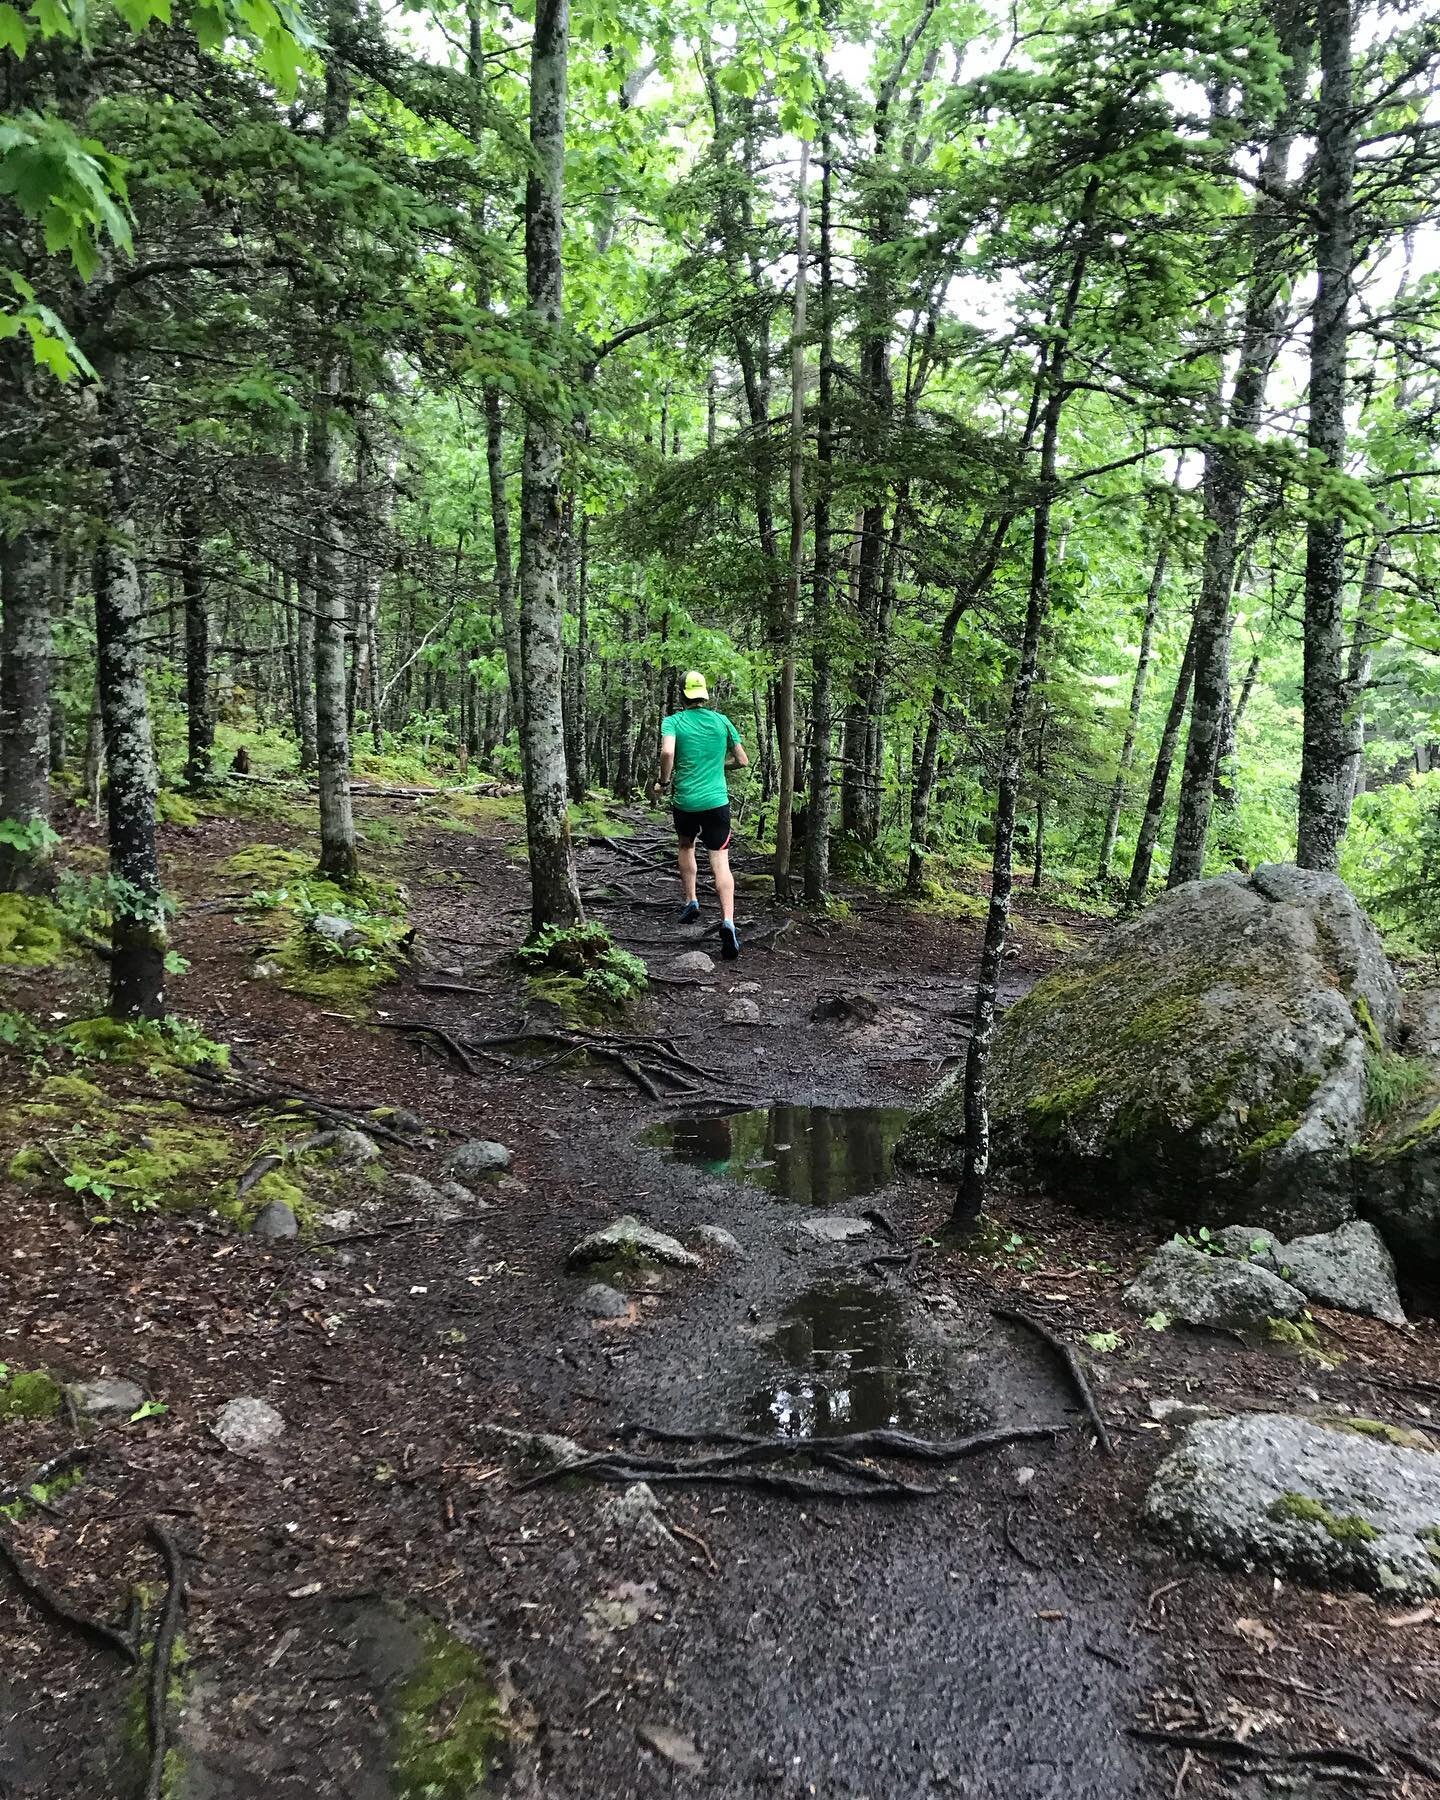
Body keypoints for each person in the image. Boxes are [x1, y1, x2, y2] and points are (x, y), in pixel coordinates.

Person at [650, 670, 749, 959]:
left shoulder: (673, 722)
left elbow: (667, 753)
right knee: (720, 860)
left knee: (686, 844)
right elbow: (742, 760)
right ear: (705, 694)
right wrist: (720, 766)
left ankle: (692, 900)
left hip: (686, 801)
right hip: (716, 802)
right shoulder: (722, 721)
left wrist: (664, 782)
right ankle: (728, 920)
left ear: (682, 694)